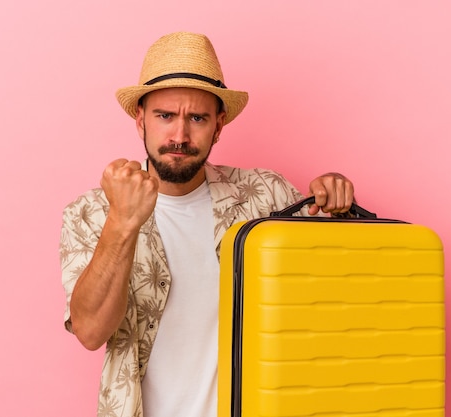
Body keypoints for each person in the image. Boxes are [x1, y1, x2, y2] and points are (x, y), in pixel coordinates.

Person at [60, 31, 355, 417]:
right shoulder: (90, 212)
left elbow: (333, 291)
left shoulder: (267, 194)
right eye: (164, 116)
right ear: (140, 121)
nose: (179, 136)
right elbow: (90, 332)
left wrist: (335, 202)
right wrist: (122, 221)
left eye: (196, 118)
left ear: (218, 126)